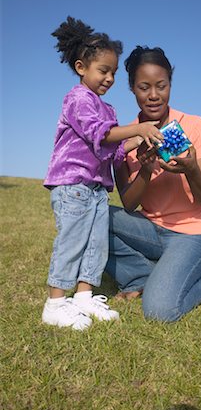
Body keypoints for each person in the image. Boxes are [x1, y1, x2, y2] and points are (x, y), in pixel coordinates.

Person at [42, 19, 163, 330]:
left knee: (96, 244)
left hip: (96, 189)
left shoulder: (106, 109)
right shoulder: (78, 100)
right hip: (73, 185)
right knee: (73, 242)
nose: (109, 77)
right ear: (81, 67)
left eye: (113, 72)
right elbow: (99, 134)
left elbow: (113, 150)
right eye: (103, 70)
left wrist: (141, 138)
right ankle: (55, 304)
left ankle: (84, 296)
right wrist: (136, 128)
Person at [105, 46, 201, 322]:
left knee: (159, 311)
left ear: (170, 85)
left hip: (192, 236)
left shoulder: (195, 125)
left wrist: (190, 170)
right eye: (144, 87)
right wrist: (146, 171)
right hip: (148, 229)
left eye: (161, 86)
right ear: (132, 89)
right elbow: (129, 203)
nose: (153, 95)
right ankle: (139, 276)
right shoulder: (124, 141)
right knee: (91, 216)